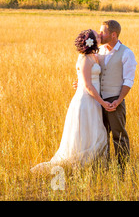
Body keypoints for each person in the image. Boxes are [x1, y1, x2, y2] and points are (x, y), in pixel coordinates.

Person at [31, 29, 110, 173]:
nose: (100, 37)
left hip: (93, 101)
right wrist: (103, 102)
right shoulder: (85, 58)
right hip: (86, 100)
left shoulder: (94, 56)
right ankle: (77, 165)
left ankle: (91, 166)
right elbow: (87, 85)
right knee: (84, 133)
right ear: (91, 41)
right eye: (97, 36)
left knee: (93, 131)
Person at [97, 20, 137, 174]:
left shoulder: (126, 53)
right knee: (101, 135)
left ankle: (122, 170)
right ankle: (104, 168)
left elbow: (128, 80)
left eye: (103, 32)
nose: (100, 35)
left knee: (119, 135)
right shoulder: (99, 51)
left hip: (115, 100)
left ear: (113, 35)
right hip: (98, 101)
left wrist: (118, 101)